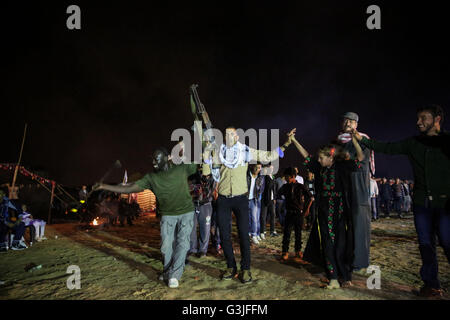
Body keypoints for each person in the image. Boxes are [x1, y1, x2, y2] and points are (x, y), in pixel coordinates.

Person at [354, 104, 450, 297]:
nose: (418, 122)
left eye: (424, 118)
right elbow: (387, 148)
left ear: (437, 119)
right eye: (418, 118)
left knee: (448, 243)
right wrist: (362, 139)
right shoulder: (413, 143)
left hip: (446, 204)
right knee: (425, 245)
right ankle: (432, 285)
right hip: (422, 204)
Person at [94, 146, 199, 289]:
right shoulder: (151, 178)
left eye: (158, 158)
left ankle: (174, 275)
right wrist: (104, 186)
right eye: (153, 159)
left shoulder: (181, 168)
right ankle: (168, 271)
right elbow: (128, 188)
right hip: (167, 215)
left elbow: (196, 160)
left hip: (186, 212)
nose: (154, 161)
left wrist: (187, 148)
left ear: (168, 158)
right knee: (165, 246)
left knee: (183, 243)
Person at [203, 126, 294, 283]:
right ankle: (231, 266)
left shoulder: (245, 151)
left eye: (232, 134)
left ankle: (246, 269)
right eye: (226, 135)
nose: (229, 137)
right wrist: (206, 149)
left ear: (237, 137)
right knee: (224, 236)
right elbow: (206, 171)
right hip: (224, 199)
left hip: (241, 199)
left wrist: (286, 144)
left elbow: (266, 156)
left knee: (244, 235)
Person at [291, 128, 365, 289]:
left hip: (340, 212)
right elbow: (306, 156)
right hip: (323, 211)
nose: (318, 160)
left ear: (330, 157)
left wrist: (355, 142)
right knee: (327, 244)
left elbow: (360, 158)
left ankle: (344, 276)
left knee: (341, 245)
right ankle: (332, 277)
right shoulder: (319, 169)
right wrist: (294, 141)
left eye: (321, 158)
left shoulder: (342, 166)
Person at [335, 111, 373, 271]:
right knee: (342, 221)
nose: (347, 123)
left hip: (358, 182)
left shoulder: (363, 139)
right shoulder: (337, 140)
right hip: (343, 182)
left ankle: (358, 260)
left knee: (359, 222)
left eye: (351, 121)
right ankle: (343, 257)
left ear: (356, 124)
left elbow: (361, 159)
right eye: (345, 121)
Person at [277, 167, 313, 262]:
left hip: (298, 213)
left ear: (293, 176)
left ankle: (298, 251)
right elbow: (278, 194)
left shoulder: (300, 186)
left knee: (298, 233)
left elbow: (311, 197)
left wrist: (307, 209)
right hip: (289, 213)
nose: (285, 178)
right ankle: (285, 252)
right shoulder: (285, 187)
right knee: (287, 233)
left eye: (287, 176)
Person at [188, 166, 216, 258]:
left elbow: (211, 192)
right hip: (193, 204)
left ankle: (203, 250)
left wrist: (204, 185)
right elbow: (189, 189)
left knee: (205, 229)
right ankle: (192, 249)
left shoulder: (213, 178)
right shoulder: (193, 177)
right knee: (191, 228)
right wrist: (194, 190)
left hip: (206, 205)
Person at [247, 163, 264, 244]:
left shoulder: (260, 177)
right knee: (247, 218)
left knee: (255, 218)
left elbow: (261, 189)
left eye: (260, 168)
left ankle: (254, 235)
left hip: (254, 199)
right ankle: (249, 233)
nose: (258, 169)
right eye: (257, 167)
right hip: (246, 199)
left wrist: (258, 197)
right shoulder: (247, 175)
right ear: (253, 167)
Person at [260, 164, 278, 238]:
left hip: (271, 199)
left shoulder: (272, 177)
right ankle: (262, 231)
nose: (272, 169)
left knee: (273, 215)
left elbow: (274, 189)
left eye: (272, 168)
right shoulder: (265, 177)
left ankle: (272, 231)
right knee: (263, 216)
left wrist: (274, 198)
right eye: (270, 168)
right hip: (265, 199)